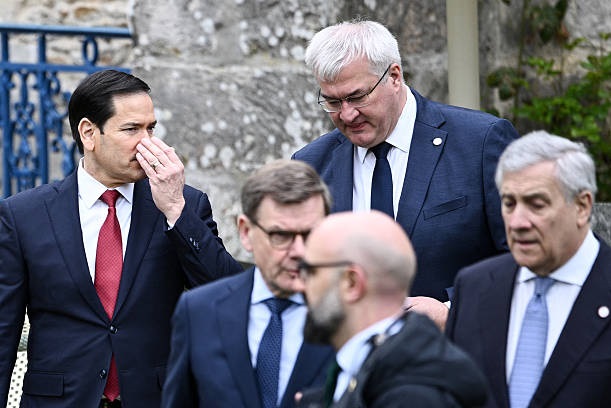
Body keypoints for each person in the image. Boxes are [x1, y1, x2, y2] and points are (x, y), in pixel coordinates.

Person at [0, 70, 243, 407]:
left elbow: (230, 295)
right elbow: (3, 330)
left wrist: (176, 210)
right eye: (131, 129)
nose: (147, 143)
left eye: (151, 128)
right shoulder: (23, 215)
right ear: (89, 133)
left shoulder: (183, 204)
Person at [292, 20, 519, 322]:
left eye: (357, 97)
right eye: (332, 102)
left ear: (395, 76)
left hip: (457, 345)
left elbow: (522, 258)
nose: (347, 114)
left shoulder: (480, 142)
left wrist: (451, 311)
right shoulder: (312, 164)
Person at [446, 131, 611, 408]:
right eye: (509, 204)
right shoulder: (473, 287)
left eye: (537, 205)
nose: (517, 222)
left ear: (582, 206)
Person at [162, 159, 335, 408]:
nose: (299, 251)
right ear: (245, 232)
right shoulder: (199, 311)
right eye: (281, 235)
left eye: (311, 234)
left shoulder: (352, 314)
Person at [297, 211, 488, 408]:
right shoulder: (374, 373)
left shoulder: (414, 396)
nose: (300, 285)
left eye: (310, 271)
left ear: (351, 283)